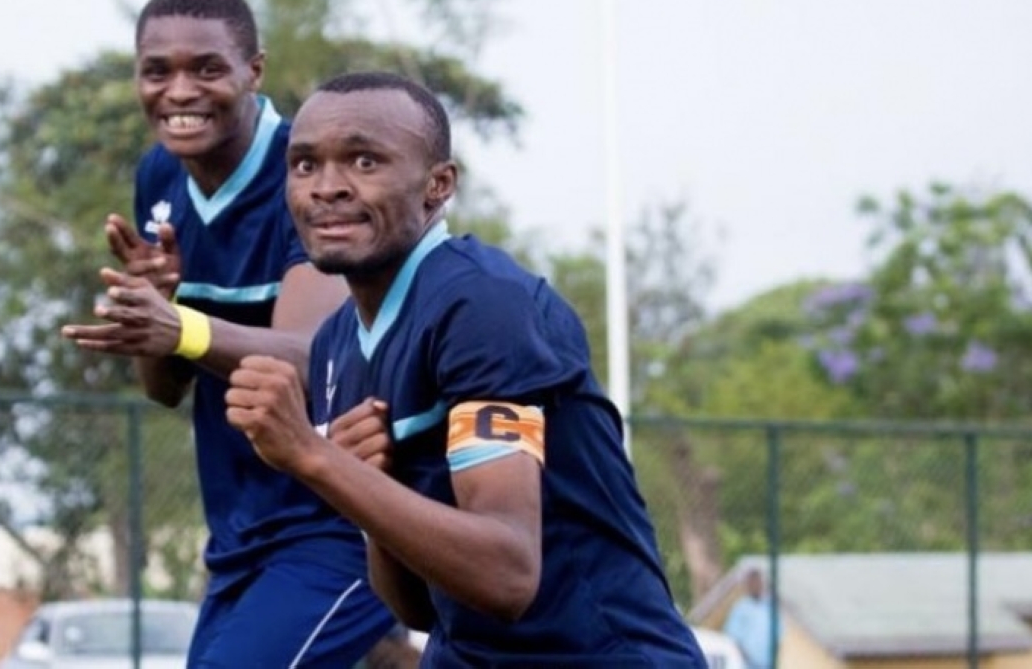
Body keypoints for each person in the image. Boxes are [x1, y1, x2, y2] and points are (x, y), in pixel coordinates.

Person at [225, 71, 707, 668]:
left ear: (438, 185)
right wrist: (360, 486)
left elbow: (506, 575)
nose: (327, 187)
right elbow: (417, 609)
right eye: (305, 165)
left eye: (364, 161)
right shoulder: (337, 347)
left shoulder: (482, 306)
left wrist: (311, 456)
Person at [60, 0, 393, 667]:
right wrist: (156, 313)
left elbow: (313, 359)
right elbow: (164, 388)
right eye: (157, 71)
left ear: (254, 70)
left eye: (206, 68)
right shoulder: (159, 176)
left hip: (341, 521)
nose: (179, 91)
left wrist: (180, 326)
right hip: (240, 531)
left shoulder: (307, 171)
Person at [723, 568, 780, 669]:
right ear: (748, 585)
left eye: (758, 581)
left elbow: (777, 636)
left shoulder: (769, 607)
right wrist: (747, 659)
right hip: (746, 665)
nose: (756, 585)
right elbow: (733, 639)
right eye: (752, 582)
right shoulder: (741, 608)